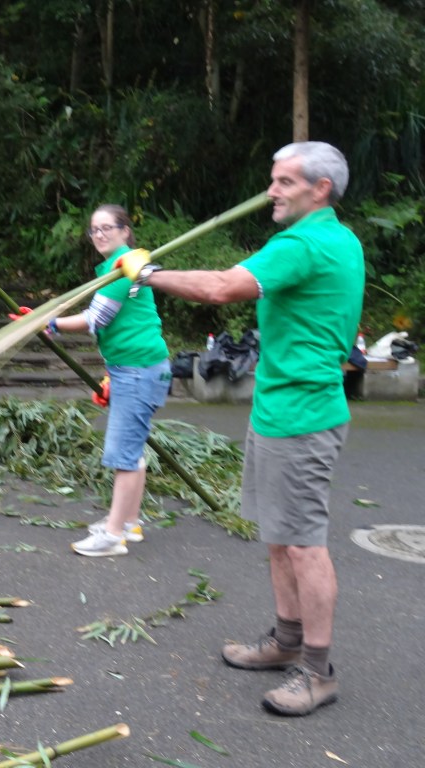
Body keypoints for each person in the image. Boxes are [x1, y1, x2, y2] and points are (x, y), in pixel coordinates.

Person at [116, 141, 364, 716]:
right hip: (280, 411)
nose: (270, 191)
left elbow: (220, 288)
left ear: (321, 189)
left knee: (303, 544)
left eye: (284, 182)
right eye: (272, 179)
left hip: (302, 417)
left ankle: (318, 672)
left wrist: (146, 273)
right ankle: (286, 641)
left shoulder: (304, 244)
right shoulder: (339, 238)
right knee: (280, 537)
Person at [47, 204, 171, 557]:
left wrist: (50, 324)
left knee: (123, 454)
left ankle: (113, 536)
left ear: (125, 230)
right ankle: (129, 523)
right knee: (133, 450)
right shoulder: (118, 265)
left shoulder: (124, 265)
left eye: (107, 228)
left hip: (138, 369)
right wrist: (111, 375)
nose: (99, 234)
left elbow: (96, 318)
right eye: (94, 229)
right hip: (134, 368)